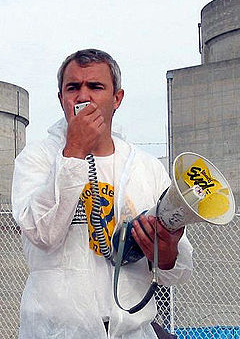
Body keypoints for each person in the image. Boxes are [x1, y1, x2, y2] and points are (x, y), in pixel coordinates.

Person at [12, 49, 193, 339]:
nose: (83, 97)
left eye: (95, 87)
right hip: (56, 332)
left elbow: (179, 271)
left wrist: (167, 254)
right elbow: (43, 233)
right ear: (61, 99)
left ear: (117, 99)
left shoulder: (145, 168)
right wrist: (74, 153)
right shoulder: (36, 160)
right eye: (73, 88)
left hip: (133, 331)